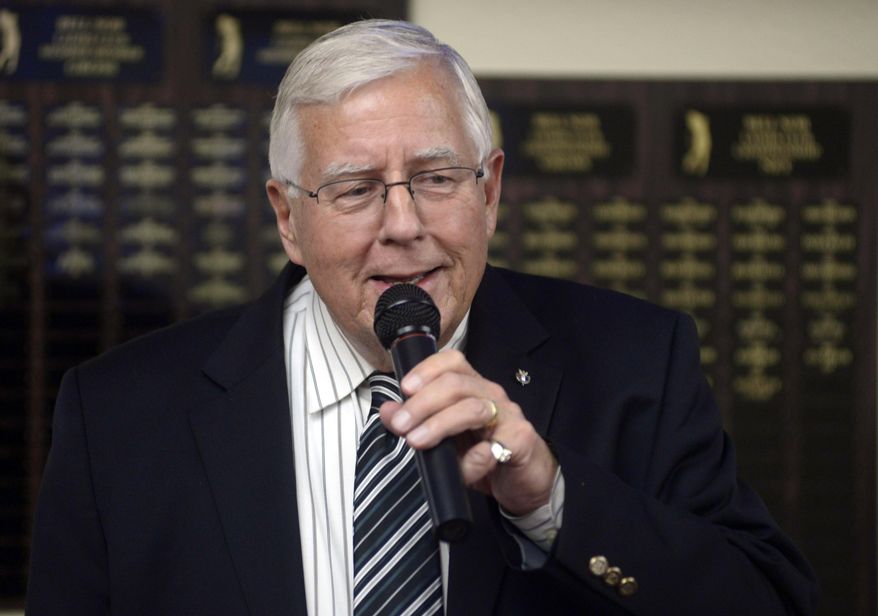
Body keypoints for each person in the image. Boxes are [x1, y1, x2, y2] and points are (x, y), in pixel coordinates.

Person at [27, 19, 818, 616]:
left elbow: (772, 601)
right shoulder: (119, 415)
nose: (404, 226)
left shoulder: (638, 361)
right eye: (356, 189)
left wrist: (551, 499)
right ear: (288, 218)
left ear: (490, 192)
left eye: (437, 178)